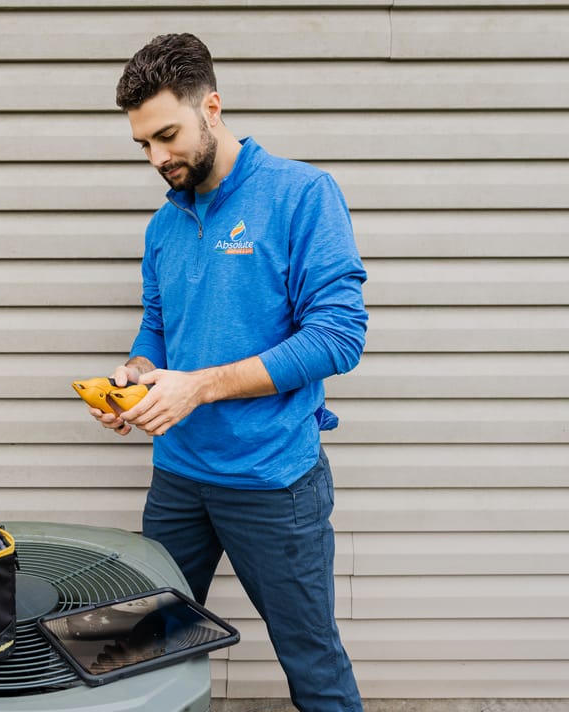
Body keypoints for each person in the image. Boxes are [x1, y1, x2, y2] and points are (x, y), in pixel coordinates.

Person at [89, 33, 367, 711]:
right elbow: (159, 325)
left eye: (167, 136)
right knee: (141, 650)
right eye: (143, 146)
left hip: (273, 480)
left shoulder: (303, 195)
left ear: (211, 107)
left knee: (313, 661)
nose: (157, 158)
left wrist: (201, 385)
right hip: (180, 478)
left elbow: (338, 337)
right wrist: (136, 375)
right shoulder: (163, 226)